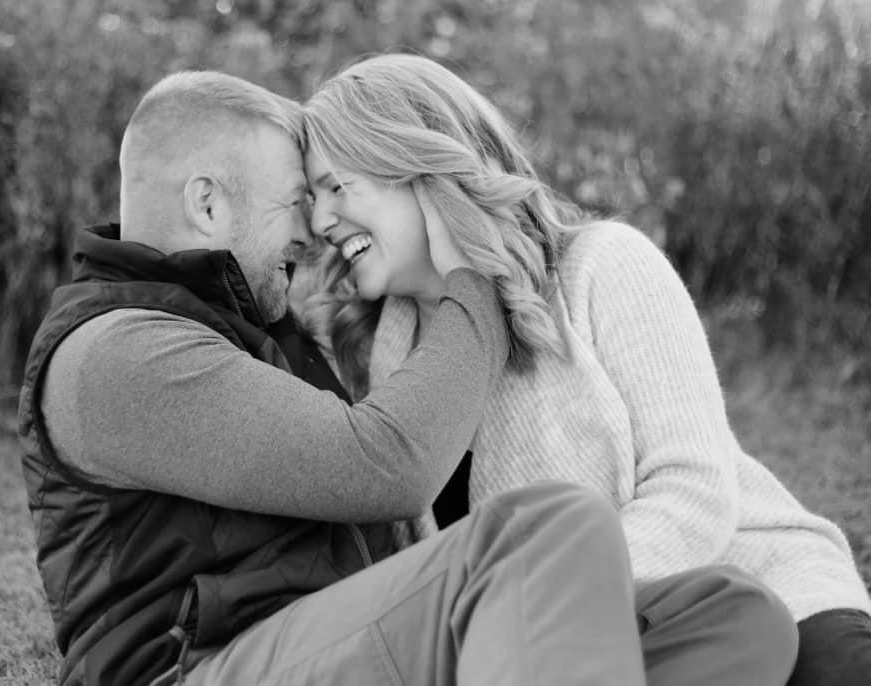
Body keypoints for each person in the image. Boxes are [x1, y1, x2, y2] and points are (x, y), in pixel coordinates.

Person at [16, 70, 797, 686]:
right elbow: (385, 464)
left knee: (731, 617)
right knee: (541, 531)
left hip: (331, 640)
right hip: (205, 665)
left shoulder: (245, 327)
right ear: (208, 204)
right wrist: (477, 272)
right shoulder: (122, 354)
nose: (313, 228)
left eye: (326, 194)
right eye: (298, 199)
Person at [297, 53, 871, 686]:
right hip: (579, 659)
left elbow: (694, 490)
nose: (321, 220)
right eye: (311, 197)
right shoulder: (381, 350)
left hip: (758, 594)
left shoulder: (603, 266)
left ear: (417, 167)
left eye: (337, 186)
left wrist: (538, 614)